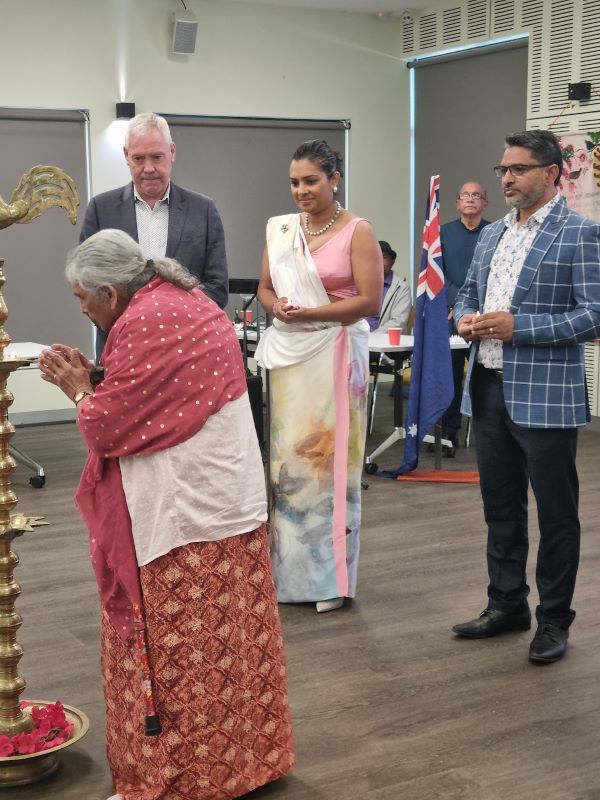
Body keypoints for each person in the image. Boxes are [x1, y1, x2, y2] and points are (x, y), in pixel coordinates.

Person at [39, 229, 294, 799]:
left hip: (186, 516)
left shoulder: (147, 320)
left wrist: (81, 391)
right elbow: (155, 392)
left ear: (109, 291)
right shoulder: (178, 299)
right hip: (227, 502)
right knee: (237, 646)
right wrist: (99, 378)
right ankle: (253, 761)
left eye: (83, 299)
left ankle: (187, 780)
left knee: (186, 655)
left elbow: (106, 426)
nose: (82, 309)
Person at [452, 130, 600, 664]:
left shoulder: (580, 234)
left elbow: (594, 315)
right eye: (503, 170)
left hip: (546, 395)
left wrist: (521, 327)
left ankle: (554, 619)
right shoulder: (492, 235)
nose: (507, 178)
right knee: (501, 508)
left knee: (557, 514)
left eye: (518, 169)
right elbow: (467, 291)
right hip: (488, 388)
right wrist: (464, 317)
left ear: (552, 172)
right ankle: (507, 603)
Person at [255, 139, 382, 614]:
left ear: (334, 178)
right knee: (288, 465)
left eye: (311, 180)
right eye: (294, 182)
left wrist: (312, 310)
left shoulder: (358, 230)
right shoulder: (281, 229)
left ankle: (330, 579)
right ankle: (289, 574)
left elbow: (369, 301)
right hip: (291, 355)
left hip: (335, 351)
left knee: (331, 465)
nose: (301, 191)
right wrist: (280, 308)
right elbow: (266, 289)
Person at [79, 112, 228, 357]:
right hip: (120, 351)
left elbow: (217, 288)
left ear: (172, 152)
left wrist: (165, 321)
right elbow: (88, 285)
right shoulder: (100, 209)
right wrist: (135, 324)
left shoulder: (203, 211)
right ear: (126, 155)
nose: (148, 168)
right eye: (138, 158)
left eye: (157, 157)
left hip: (187, 351)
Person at [440, 182, 490, 454]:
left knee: (484, 376)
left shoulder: (495, 233)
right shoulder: (443, 234)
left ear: (485, 203)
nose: (470, 200)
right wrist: (460, 303)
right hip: (451, 316)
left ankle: (488, 435)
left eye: (476, 196)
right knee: (450, 376)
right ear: (457, 203)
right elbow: (436, 273)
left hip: (487, 317)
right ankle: (449, 434)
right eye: (465, 196)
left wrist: (478, 306)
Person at [365, 241, 411, 332]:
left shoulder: (401, 287)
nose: (379, 261)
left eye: (384, 257)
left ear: (392, 262)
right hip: (356, 338)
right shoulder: (359, 283)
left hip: (383, 341)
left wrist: (373, 337)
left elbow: (398, 322)